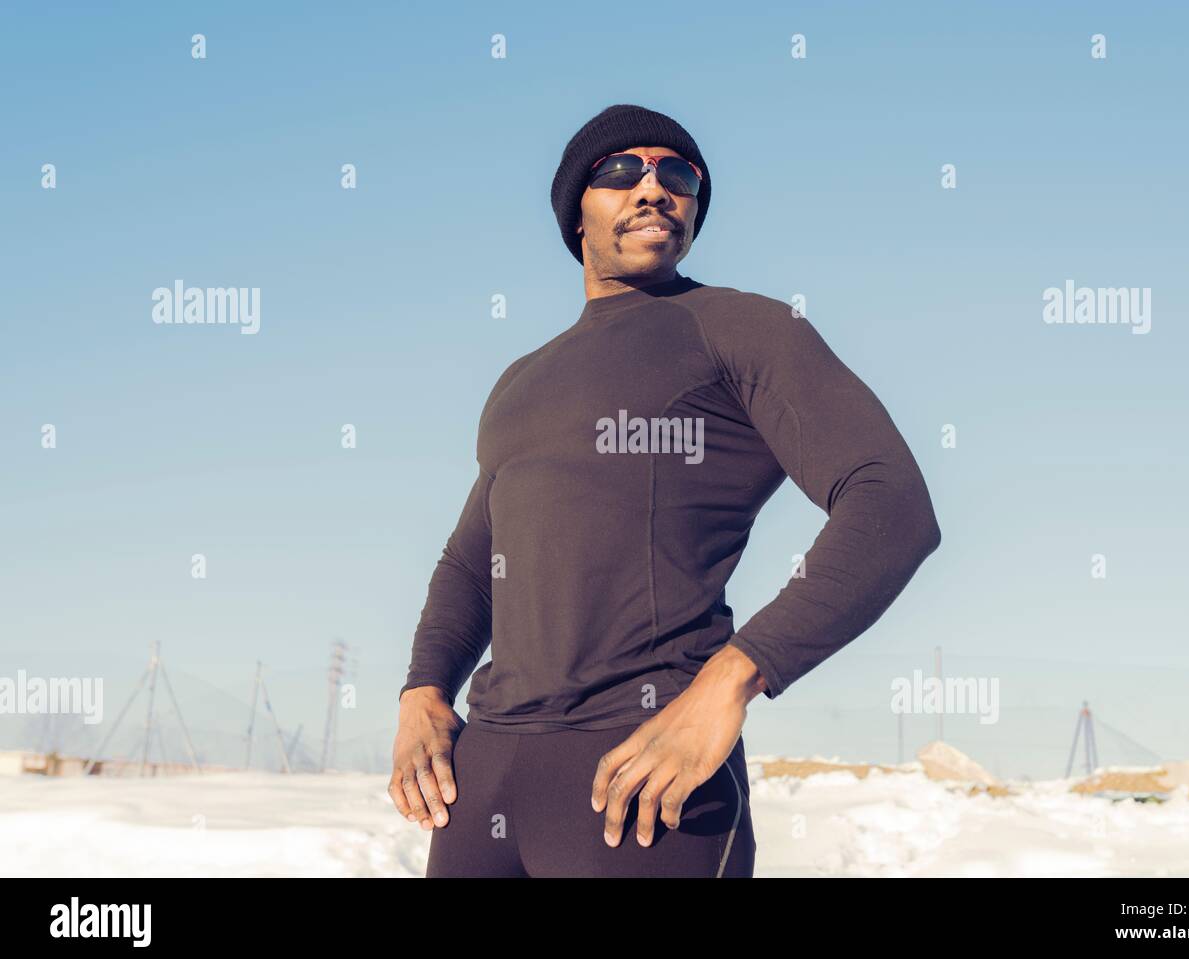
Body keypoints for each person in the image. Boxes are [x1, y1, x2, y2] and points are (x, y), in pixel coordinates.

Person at [389, 104, 942, 877]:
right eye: (621, 170)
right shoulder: (519, 381)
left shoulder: (742, 328)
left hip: (647, 774)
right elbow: (471, 562)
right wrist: (422, 688)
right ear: (574, 214)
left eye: (677, 175)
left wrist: (736, 675)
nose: (653, 188)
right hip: (486, 783)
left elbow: (892, 504)